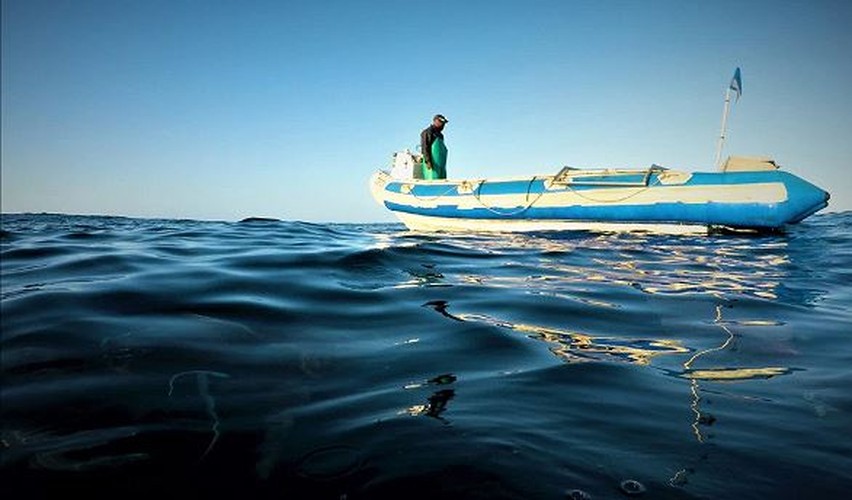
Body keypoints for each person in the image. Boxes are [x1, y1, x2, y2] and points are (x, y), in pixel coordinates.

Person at [420, 114, 448, 180]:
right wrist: (427, 161)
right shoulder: (427, 132)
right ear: (435, 121)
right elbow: (425, 147)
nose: (443, 125)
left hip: (441, 165)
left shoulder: (441, 135)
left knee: (442, 180)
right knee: (432, 178)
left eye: (444, 124)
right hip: (432, 165)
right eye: (441, 123)